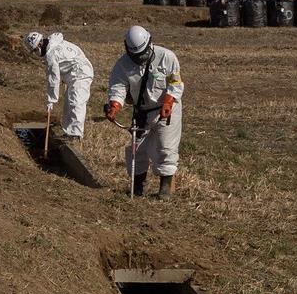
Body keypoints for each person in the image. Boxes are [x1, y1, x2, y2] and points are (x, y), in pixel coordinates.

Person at [103, 26, 184, 198]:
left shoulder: (166, 57)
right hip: (142, 112)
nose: (140, 58)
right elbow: (118, 88)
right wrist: (115, 106)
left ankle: (165, 188)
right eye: (136, 55)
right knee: (136, 149)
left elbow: (175, 83)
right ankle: (138, 186)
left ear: (149, 44)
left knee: (166, 147)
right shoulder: (122, 65)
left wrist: (169, 101)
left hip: (167, 109)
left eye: (143, 54)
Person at [23, 30, 93, 140]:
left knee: (76, 102)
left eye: (35, 50)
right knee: (68, 104)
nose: (36, 53)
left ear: (39, 45)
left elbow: (53, 79)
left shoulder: (51, 55)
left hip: (81, 73)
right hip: (75, 74)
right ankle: (68, 132)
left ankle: (76, 134)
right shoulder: (57, 42)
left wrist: (51, 100)